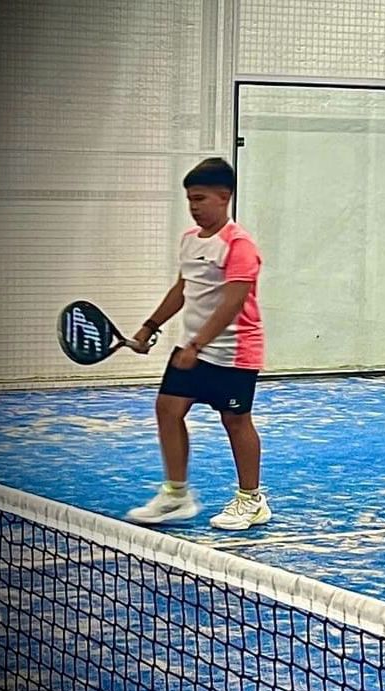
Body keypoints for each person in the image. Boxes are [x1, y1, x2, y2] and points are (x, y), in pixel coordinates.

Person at [125, 157, 271, 531]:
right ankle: (176, 496)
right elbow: (183, 288)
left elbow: (233, 301)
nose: (194, 207)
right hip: (194, 348)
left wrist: (198, 345)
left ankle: (251, 501)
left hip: (234, 351)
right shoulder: (190, 241)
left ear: (224, 197)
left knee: (235, 420)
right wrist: (149, 325)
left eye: (201, 198)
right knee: (167, 410)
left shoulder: (239, 245)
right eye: (190, 199)